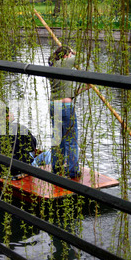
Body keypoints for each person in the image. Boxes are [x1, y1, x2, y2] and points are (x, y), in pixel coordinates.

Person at [48, 46, 83, 178]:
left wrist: (84, 88)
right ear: (65, 56)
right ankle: (73, 171)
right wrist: (74, 51)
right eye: (69, 55)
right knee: (71, 140)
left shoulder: (51, 66)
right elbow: (84, 57)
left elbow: (67, 92)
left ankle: (56, 169)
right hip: (66, 106)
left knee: (58, 138)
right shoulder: (65, 62)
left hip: (54, 105)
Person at [0, 107, 37, 177]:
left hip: (5, 172)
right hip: (22, 170)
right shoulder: (20, 128)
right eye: (10, 113)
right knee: (46, 154)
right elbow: (32, 147)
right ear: (7, 117)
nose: (12, 114)